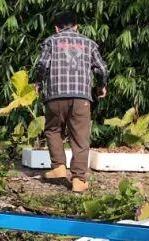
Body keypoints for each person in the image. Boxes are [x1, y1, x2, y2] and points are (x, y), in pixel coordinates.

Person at [33, 11, 108, 193]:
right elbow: (102, 68)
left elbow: (42, 65)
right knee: (80, 137)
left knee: (53, 130)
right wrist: (101, 86)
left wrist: (38, 82)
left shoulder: (51, 41)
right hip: (81, 97)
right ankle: (78, 180)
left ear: (56, 28)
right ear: (76, 26)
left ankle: (58, 167)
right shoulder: (89, 43)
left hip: (55, 95)